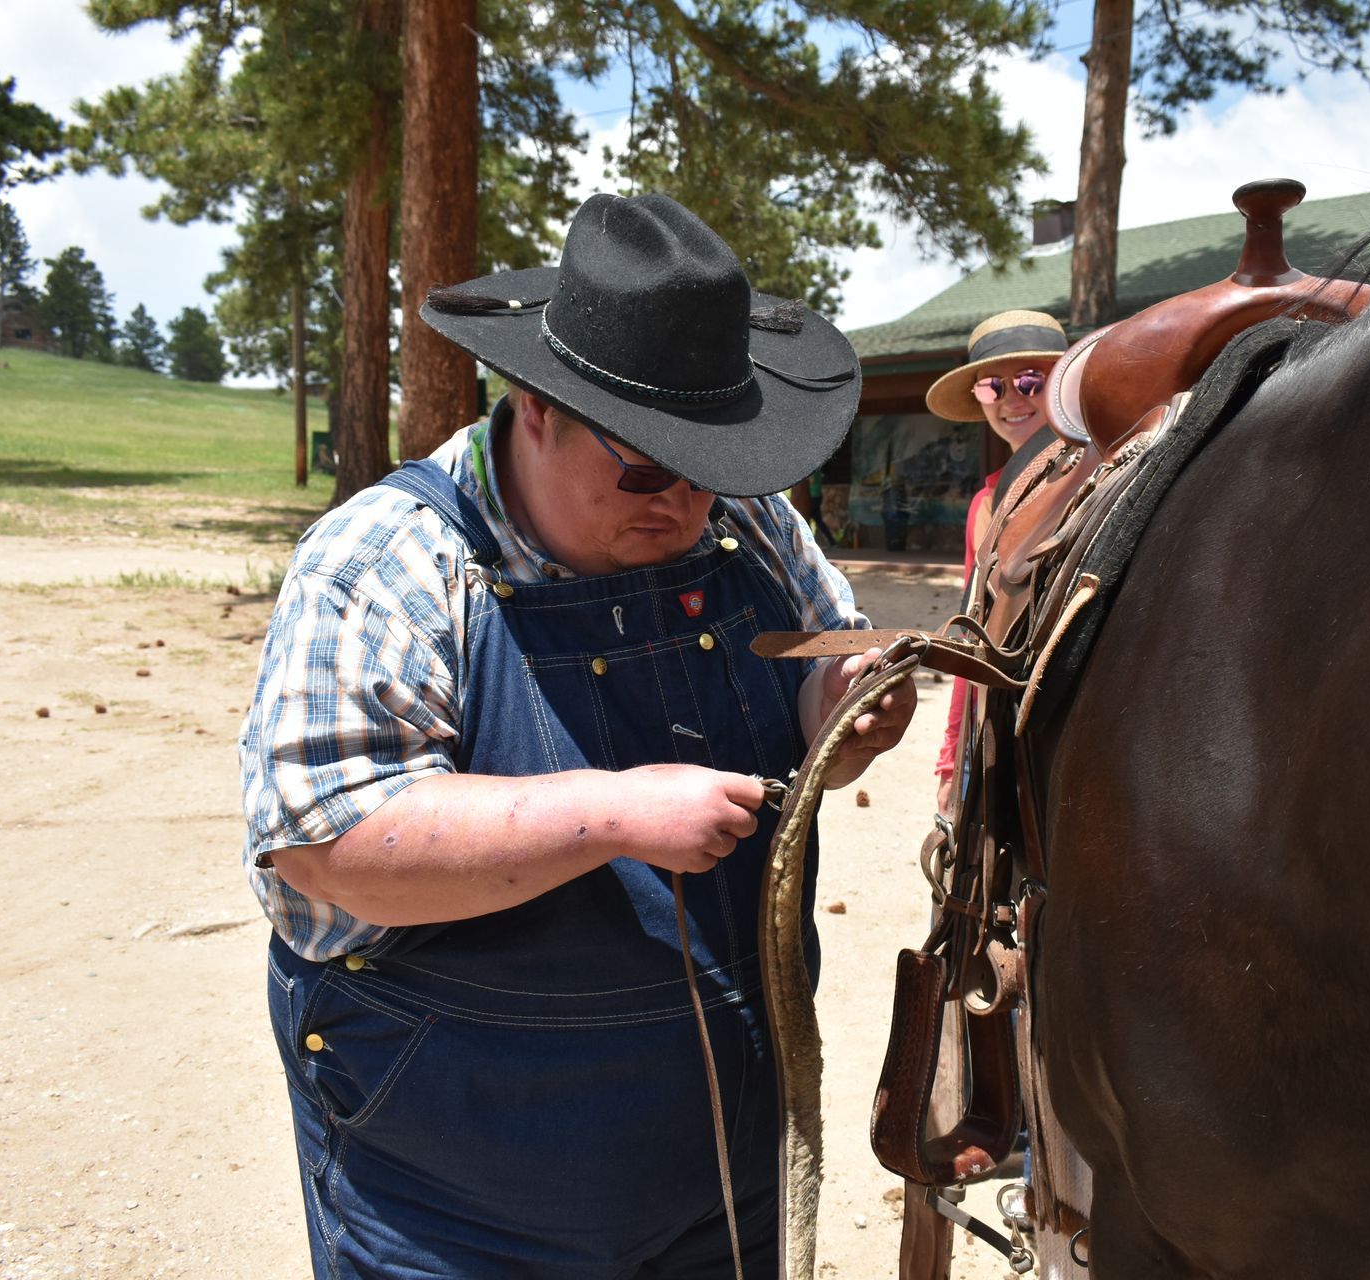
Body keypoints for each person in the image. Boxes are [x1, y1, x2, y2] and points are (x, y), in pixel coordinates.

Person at [238, 193, 915, 1279]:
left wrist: (844, 700)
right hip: (457, 1204)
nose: (688, 506)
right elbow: (331, 847)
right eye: (647, 466)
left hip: (719, 1174)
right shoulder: (386, 563)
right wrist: (610, 812)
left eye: (717, 466)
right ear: (537, 408)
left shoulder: (746, 520)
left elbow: (816, 650)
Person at [922, 309, 1067, 811]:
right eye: (992, 387)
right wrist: (952, 760)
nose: (1011, 399)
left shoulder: (1111, 472)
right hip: (1004, 718)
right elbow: (972, 640)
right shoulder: (985, 505)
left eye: (1030, 381)